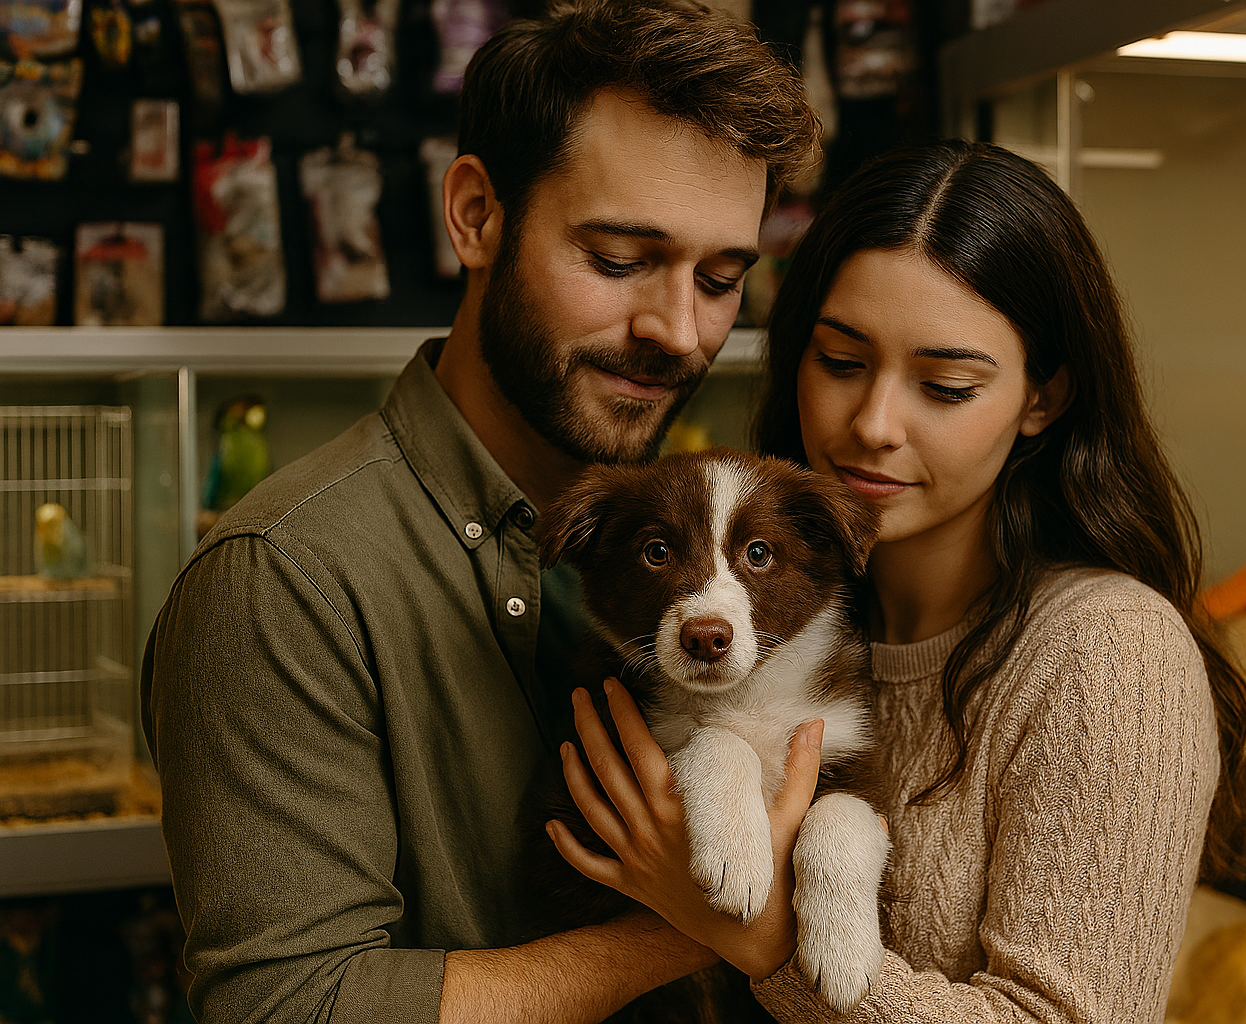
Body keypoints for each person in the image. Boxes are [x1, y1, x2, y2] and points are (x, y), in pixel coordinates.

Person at [139, 3, 819, 1022]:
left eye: (720, 278)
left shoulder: (705, 549)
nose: (678, 331)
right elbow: (290, 1006)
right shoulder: (284, 580)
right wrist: (693, 928)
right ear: (475, 215)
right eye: (620, 259)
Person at [547, 139, 1246, 1022]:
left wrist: (771, 942)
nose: (873, 424)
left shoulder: (1110, 657)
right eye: (841, 363)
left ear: (1043, 398)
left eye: (947, 384)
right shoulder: (800, 614)